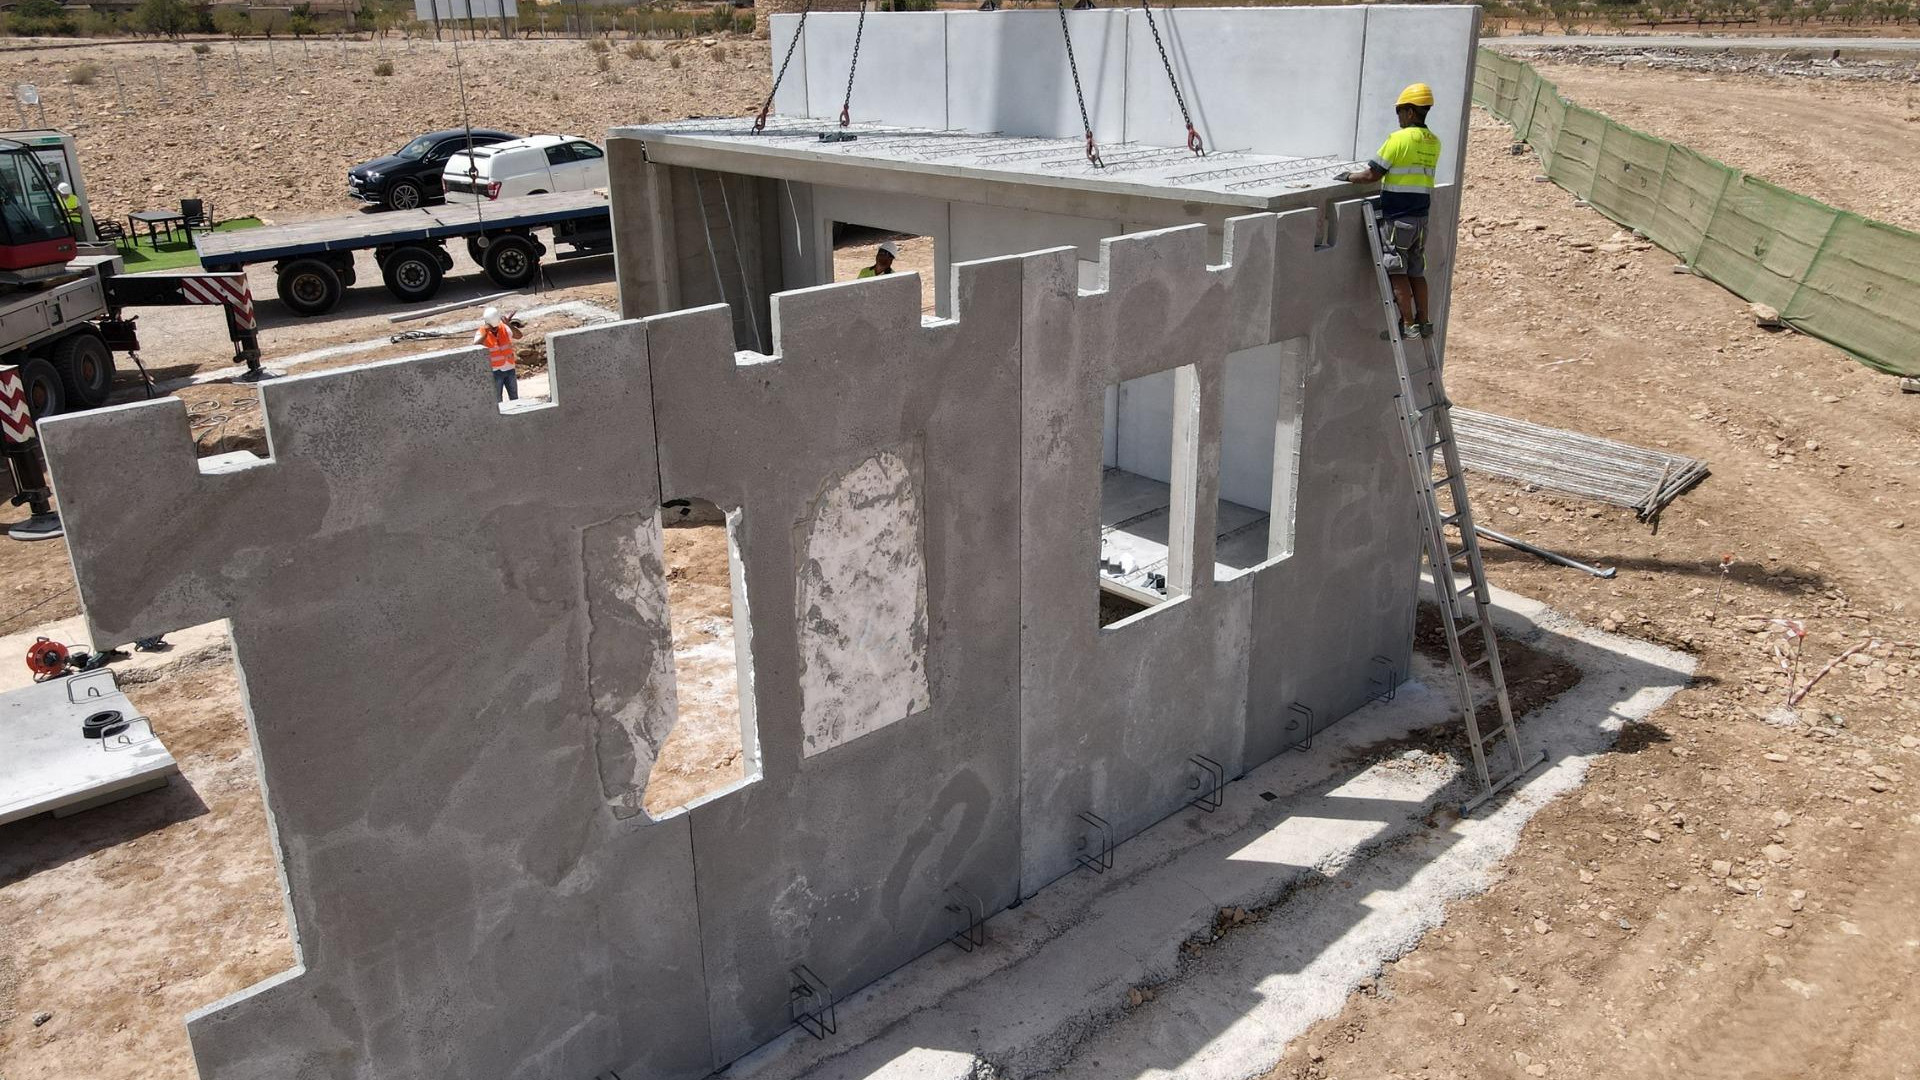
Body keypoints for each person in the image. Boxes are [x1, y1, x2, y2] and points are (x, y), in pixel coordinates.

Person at [1344, 83, 1441, 339]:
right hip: (1421, 218)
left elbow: (1372, 174)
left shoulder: (1398, 139)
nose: (1398, 117)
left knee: (1396, 268)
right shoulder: (1433, 141)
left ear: (1410, 111)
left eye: (1399, 111)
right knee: (1417, 271)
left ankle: (1407, 324)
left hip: (1399, 218)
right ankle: (1424, 322)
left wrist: (1349, 177)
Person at [475, 306, 523, 402]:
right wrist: (485, 334)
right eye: (493, 328)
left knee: (514, 398)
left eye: (496, 327)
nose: (495, 329)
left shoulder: (504, 328)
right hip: (495, 371)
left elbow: (519, 336)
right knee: (497, 400)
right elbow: (475, 346)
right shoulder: (481, 332)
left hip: (510, 368)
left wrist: (508, 324)